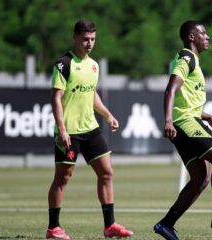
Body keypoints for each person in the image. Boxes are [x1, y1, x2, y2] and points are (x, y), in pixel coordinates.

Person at [153, 20, 212, 240]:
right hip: (184, 123)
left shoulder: (193, 60)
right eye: (203, 33)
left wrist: (207, 116)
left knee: (200, 178)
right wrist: (167, 120)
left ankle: (166, 224)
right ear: (191, 37)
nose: (208, 37)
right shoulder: (186, 57)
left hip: (186, 121)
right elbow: (170, 90)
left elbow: (185, 99)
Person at [46, 19, 133, 239]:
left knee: (106, 173)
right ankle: (53, 228)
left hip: (90, 128)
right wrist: (61, 129)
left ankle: (110, 225)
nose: (89, 43)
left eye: (93, 39)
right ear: (75, 37)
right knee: (63, 178)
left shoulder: (93, 65)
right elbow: (56, 99)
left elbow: (92, 95)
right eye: (85, 39)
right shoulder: (63, 64)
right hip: (70, 131)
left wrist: (108, 115)